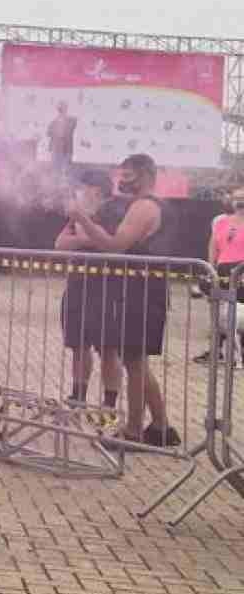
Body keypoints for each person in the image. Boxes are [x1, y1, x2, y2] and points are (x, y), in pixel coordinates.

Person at [65, 153, 173, 445]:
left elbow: (115, 246)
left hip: (142, 291)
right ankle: (161, 427)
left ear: (144, 174)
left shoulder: (144, 207)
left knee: (134, 361)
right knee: (136, 360)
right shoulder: (146, 205)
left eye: (127, 175)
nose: (122, 181)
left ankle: (134, 432)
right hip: (140, 289)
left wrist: (81, 218)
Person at [55, 172, 122, 407]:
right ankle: (78, 396)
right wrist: (86, 236)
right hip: (77, 286)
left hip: (109, 288)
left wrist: (86, 231)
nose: (79, 193)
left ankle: (109, 402)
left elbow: (107, 242)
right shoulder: (80, 216)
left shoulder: (114, 212)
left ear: (97, 190)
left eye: (83, 188)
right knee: (78, 344)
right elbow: (60, 244)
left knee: (108, 348)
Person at [195, 185, 244, 366]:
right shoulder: (221, 221)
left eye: (243, 198)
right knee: (219, 314)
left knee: (240, 315)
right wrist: (211, 268)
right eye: (237, 198)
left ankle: (240, 355)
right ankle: (217, 351)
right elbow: (213, 245)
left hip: (242, 270)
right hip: (222, 269)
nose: (239, 202)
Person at [48, 101, 78, 170]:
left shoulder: (72, 120)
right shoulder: (54, 122)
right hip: (57, 150)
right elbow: (49, 133)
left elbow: (72, 126)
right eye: (60, 108)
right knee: (56, 169)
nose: (61, 110)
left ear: (66, 109)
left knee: (65, 169)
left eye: (63, 108)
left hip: (66, 149)